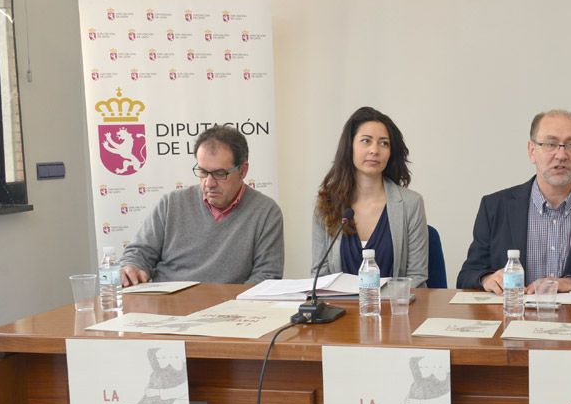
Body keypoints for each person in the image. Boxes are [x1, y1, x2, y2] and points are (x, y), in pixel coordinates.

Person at [456, 109, 571, 293]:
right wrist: (486, 279)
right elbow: (467, 276)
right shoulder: (495, 207)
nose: (561, 155)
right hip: (512, 318)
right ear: (531, 151)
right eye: (551, 144)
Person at [121, 126, 283, 285]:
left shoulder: (266, 212)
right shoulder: (171, 204)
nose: (209, 183)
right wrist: (132, 267)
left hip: (229, 307)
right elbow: (139, 253)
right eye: (203, 172)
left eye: (220, 174)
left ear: (243, 171)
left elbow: (267, 276)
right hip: (168, 304)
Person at [312, 106, 428, 286]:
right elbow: (320, 275)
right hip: (341, 311)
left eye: (384, 143)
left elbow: (417, 277)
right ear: (350, 147)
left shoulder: (410, 204)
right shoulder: (328, 203)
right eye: (366, 141)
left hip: (394, 310)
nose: (375, 150)